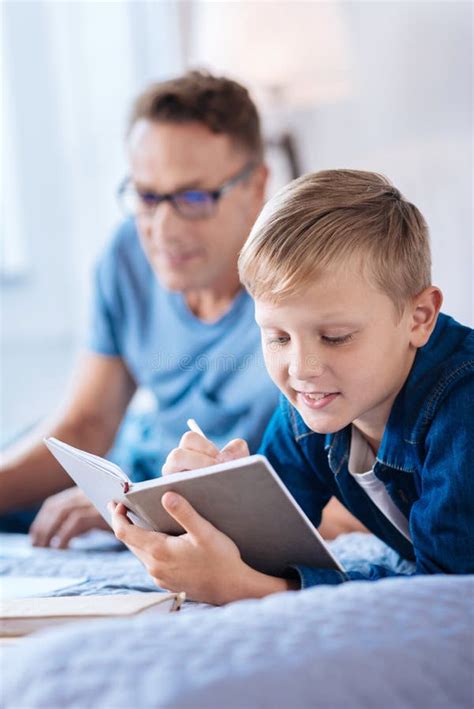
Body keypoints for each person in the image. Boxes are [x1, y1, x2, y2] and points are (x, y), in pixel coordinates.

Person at [108, 169, 474, 605]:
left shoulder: (461, 405)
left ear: (419, 318)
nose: (302, 368)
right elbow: (269, 548)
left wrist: (248, 589)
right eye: (277, 337)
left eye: (336, 337)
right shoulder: (309, 411)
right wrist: (215, 504)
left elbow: (451, 593)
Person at [0, 71, 281, 546]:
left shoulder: (298, 288)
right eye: (148, 197)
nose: (164, 230)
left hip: (184, 500)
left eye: (194, 197)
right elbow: (89, 422)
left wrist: (148, 504)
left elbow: (322, 488)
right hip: (126, 476)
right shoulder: (126, 256)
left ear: (256, 186)